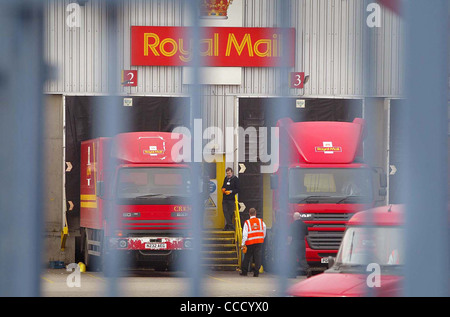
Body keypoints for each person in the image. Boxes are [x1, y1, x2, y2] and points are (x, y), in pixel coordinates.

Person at [240, 208, 266, 277]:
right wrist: (262, 237)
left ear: (249, 214)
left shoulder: (247, 222)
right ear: (255, 213)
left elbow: (245, 234)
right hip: (259, 242)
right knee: (257, 257)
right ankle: (256, 273)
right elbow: (264, 229)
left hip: (250, 242)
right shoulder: (261, 221)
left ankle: (244, 272)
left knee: (247, 257)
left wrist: (242, 244)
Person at [288, 212, 309, 277]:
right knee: (302, 258)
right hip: (302, 242)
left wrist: (289, 244)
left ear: (294, 217)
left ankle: (293, 274)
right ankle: (308, 270)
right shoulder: (304, 225)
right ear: (300, 217)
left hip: (294, 242)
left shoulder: (292, 225)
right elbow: (306, 235)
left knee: (293, 258)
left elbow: (290, 236)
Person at [221, 167, 240, 231]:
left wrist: (231, 191)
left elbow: (238, 189)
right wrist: (223, 189)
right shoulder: (225, 179)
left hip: (231, 199)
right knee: (225, 211)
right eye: (227, 173)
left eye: (229, 173)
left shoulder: (236, 179)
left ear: (232, 172)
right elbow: (223, 186)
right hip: (225, 198)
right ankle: (231, 226)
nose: (228, 175)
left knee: (230, 213)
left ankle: (227, 226)